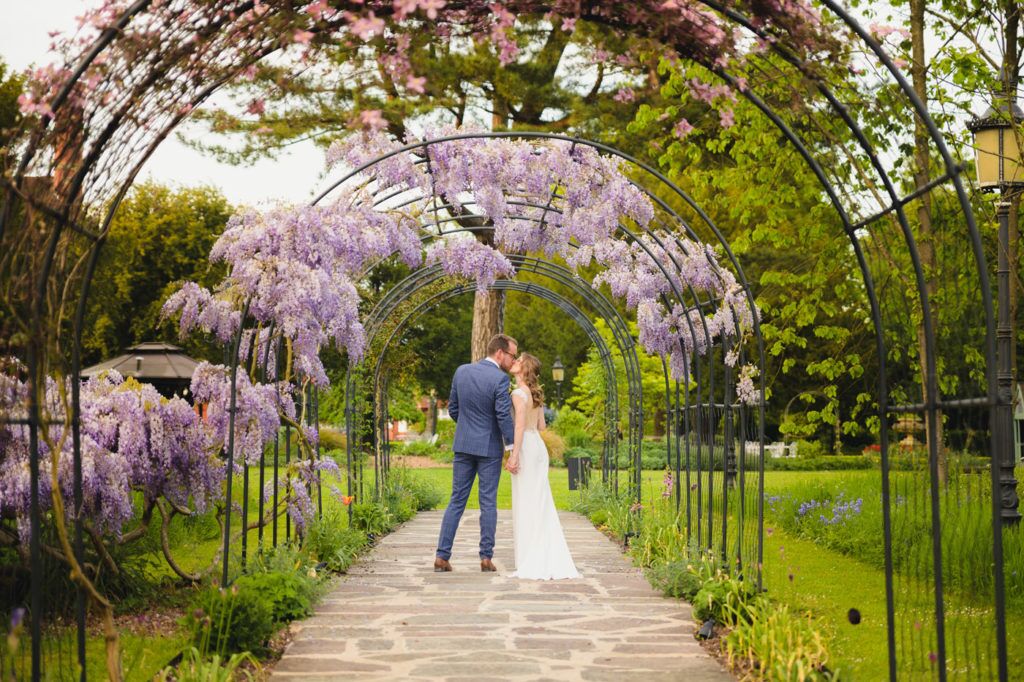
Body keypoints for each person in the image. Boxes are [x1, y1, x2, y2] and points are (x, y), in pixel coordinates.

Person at [434, 334, 517, 572]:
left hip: (463, 445)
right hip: (489, 448)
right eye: (512, 355)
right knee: (488, 502)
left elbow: (454, 409)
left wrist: (467, 428)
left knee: (456, 500)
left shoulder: (461, 371)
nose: (513, 361)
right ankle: (485, 558)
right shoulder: (500, 379)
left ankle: (441, 556)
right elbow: (502, 415)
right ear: (499, 353)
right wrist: (511, 447)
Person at [505, 353, 580, 580]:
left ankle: (531, 556)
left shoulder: (518, 394)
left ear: (523, 368)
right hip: (537, 446)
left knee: (527, 501)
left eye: (518, 360)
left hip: (526, 447)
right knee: (540, 499)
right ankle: (544, 551)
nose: (514, 361)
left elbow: (519, 427)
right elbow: (541, 425)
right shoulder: (535, 395)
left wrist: (514, 455)